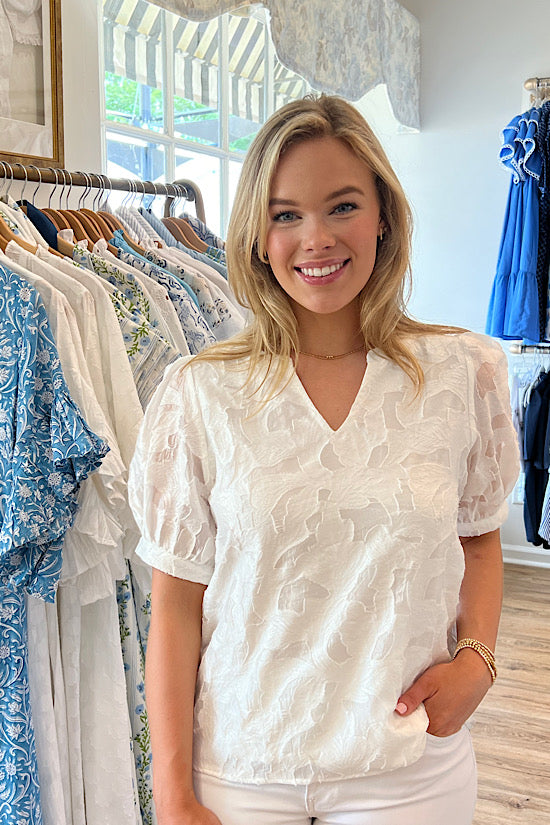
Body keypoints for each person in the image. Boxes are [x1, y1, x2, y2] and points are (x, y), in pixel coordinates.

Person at [128, 94, 520, 825]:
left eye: (342, 206)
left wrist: (478, 660)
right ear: (256, 234)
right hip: (241, 766)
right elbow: (175, 605)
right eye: (285, 214)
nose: (316, 238)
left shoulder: (462, 373)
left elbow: (479, 532)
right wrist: (174, 793)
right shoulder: (201, 394)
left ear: (382, 216)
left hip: (408, 766)